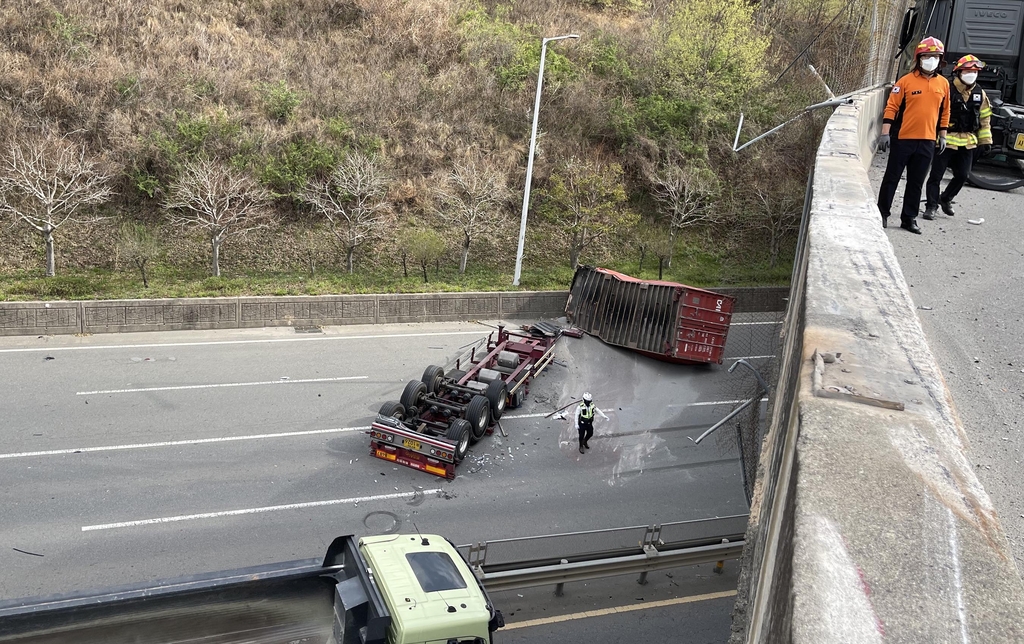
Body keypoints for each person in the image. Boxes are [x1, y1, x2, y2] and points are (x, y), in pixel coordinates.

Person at [876, 37, 951, 234]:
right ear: (919, 58)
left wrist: (942, 135)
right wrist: (885, 133)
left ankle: (909, 218)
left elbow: (945, 112)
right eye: (927, 56)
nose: (931, 59)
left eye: (935, 56)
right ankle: (882, 213)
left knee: (916, 182)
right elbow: (891, 107)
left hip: (927, 141)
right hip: (903, 139)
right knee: (891, 178)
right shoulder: (905, 82)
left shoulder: (943, 84)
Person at [923, 55, 993, 219]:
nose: (971, 74)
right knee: (936, 176)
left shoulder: (980, 94)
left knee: (963, 175)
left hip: (967, 142)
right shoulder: (946, 88)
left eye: (974, 71)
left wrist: (986, 141)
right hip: (944, 140)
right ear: (959, 72)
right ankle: (931, 206)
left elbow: (985, 118)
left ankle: (946, 198)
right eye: (968, 70)